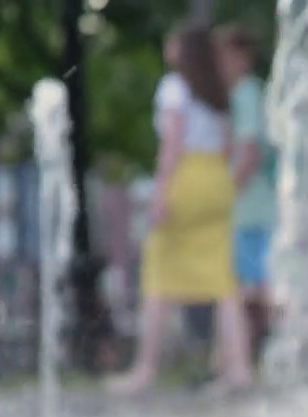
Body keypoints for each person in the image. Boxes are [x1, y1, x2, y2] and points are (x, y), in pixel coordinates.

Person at [107, 24, 253, 396]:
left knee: (158, 275)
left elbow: (172, 143)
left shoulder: (174, 87)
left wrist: (161, 193)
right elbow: (228, 147)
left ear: (183, 50)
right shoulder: (218, 91)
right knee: (223, 280)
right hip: (216, 179)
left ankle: (145, 369)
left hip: (186, 177)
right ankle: (239, 369)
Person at [216, 24, 278, 366]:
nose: (220, 64)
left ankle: (230, 363)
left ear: (243, 58)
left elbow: (250, 154)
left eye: (225, 56)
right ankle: (232, 360)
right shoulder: (249, 93)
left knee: (246, 289)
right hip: (257, 208)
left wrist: (225, 192)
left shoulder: (245, 94)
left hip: (252, 209)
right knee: (254, 289)